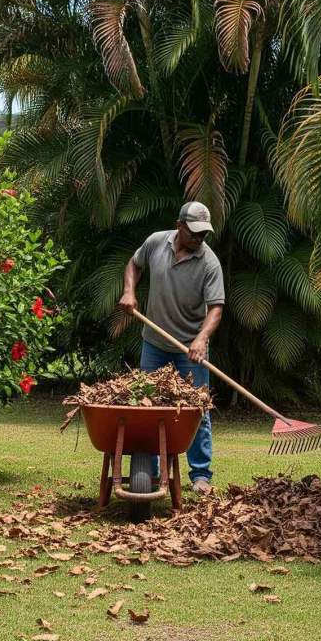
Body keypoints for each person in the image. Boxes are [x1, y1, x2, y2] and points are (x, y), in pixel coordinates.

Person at [118, 201, 225, 495]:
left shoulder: (209, 262)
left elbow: (216, 307)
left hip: (190, 349)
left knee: (196, 411)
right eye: (194, 233)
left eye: (204, 234)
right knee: (147, 409)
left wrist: (201, 339)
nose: (200, 239)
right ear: (179, 226)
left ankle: (201, 476)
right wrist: (129, 291)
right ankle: (149, 472)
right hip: (154, 344)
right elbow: (134, 264)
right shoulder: (155, 242)